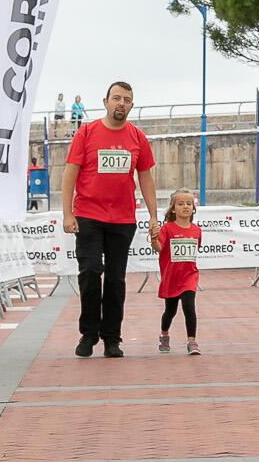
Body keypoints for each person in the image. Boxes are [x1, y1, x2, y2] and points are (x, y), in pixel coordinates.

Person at [62, 81, 159, 359]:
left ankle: (112, 339)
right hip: (88, 215)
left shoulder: (137, 137)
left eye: (127, 100)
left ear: (131, 105)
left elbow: (146, 178)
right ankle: (89, 333)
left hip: (122, 219)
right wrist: (67, 213)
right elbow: (70, 173)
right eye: (116, 98)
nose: (121, 103)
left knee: (116, 280)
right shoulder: (87, 132)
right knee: (91, 271)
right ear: (105, 102)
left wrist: (154, 216)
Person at [157, 188, 203, 355]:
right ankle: (164, 334)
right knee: (170, 311)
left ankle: (192, 341)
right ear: (173, 208)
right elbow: (158, 248)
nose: (185, 207)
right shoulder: (167, 229)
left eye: (189, 203)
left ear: (193, 208)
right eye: (181, 203)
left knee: (189, 307)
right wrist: (154, 237)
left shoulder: (197, 230)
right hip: (171, 277)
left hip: (189, 276)